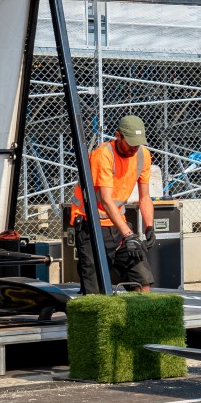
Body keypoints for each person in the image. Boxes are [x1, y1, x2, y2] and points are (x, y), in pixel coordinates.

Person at [69, 114, 155, 294]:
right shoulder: (103, 155)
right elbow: (106, 200)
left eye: (137, 143)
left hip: (118, 225)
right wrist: (129, 235)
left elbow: (145, 197)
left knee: (141, 280)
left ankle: (142, 320)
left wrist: (149, 227)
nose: (134, 148)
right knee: (96, 290)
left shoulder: (143, 155)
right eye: (130, 143)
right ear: (118, 135)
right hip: (90, 225)